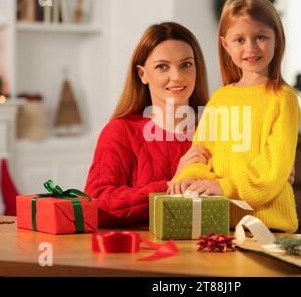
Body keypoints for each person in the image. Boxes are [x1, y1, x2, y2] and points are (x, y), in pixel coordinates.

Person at [169, 0, 301, 233]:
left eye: (261, 37)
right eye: (239, 39)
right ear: (225, 44)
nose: (250, 48)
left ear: (276, 39)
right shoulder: (220, 99)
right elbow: (201, 155)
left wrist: (224, 186)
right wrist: (192, 179)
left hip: (269, 229)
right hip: (221, 225)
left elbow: (273, 169)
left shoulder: (283, 99)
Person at [84, 22, 211, 227]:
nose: (177, 77)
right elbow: (97, 205)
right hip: (139, 252)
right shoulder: (121, 132)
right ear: (143, 74)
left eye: (186, 64)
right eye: (162, 67)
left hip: (207, 249)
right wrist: (172, 185)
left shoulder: (216, 129)